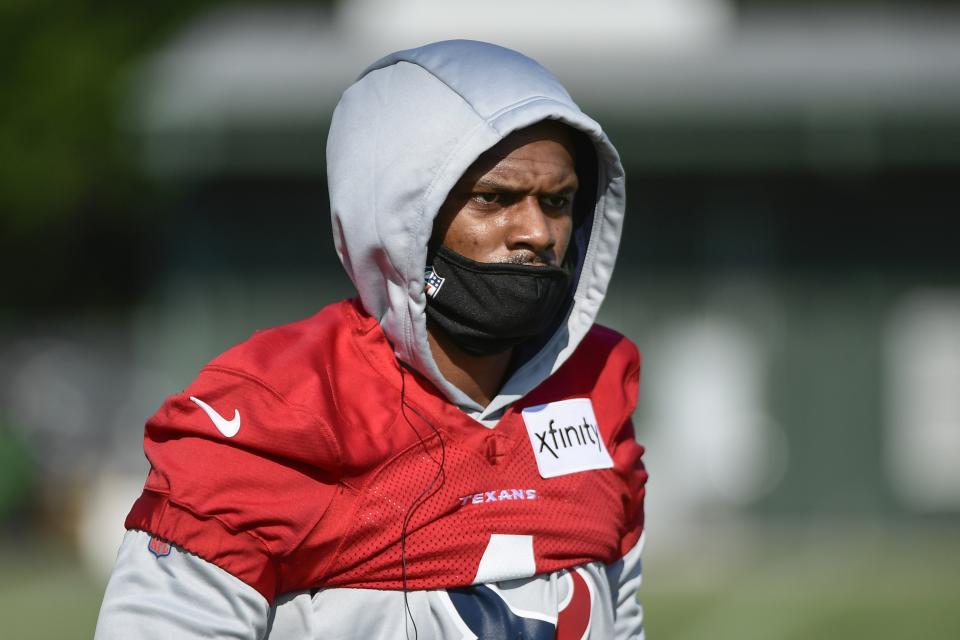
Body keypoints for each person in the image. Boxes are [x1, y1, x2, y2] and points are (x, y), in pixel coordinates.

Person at [95, 39, 647, 639]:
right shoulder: (272, 415)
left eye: (558, 201)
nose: (537, 232)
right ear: (399, 210)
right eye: (494, 198)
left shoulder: (597, 382)